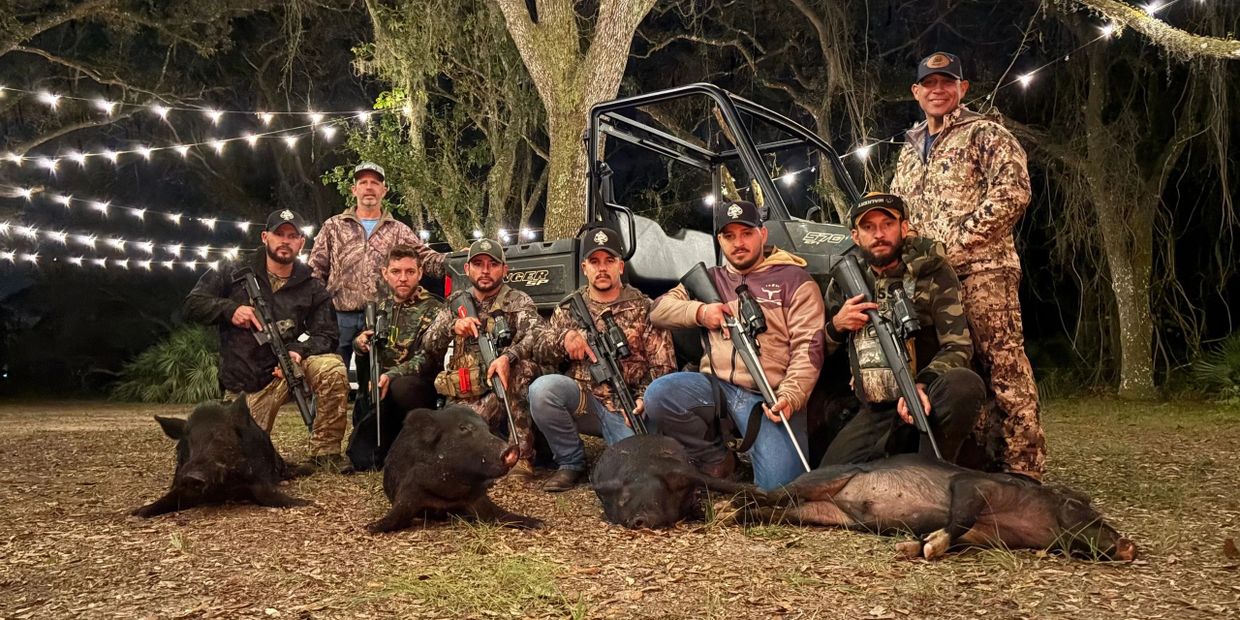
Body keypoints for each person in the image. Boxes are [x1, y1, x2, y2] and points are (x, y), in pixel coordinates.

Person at [889, 51, 1046, 481]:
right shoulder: (909, 149)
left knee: (1003, 365)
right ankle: (979, 461)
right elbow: (900, 213)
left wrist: (954, 246)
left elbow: (1013, 193)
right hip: (933, 281)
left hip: (984, 273)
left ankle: (1023, 470)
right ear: (916, 92)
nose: (938, 90)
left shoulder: (985, 134)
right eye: (930, 84)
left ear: (962, 89)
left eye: (947, 82)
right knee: (957, 368)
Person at [642, 200, 825, 491]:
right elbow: (659, 310)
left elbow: (809, 349)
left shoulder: (796, 280)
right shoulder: (711, 279)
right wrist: (702, 313)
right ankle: (716, 458)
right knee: (660, 395)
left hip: (769, 396)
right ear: (720, 240)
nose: (738, 243)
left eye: (746, 233)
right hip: (717, 388)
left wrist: (790, 396)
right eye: (729, 236)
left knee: (780, 491)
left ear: (763, 235)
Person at [821, 193, 986, 465]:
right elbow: (821, 349)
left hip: (926, 396)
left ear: (904, 227)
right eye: (868, 227)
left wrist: (922, 384)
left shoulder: (933, 272)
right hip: (877, 406)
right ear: (855, 236)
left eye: (887, 224)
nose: (879, 234)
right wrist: (837, 326)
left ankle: (931, 472)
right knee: (831, 475)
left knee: (964, 385)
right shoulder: (844, 282)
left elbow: (957, 346)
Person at [183, 209, 350, 470]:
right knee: (237, 456)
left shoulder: (312, 285)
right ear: (265, 237)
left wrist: (298, 351)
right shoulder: (233, 270)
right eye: (279, 234)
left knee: (331, 368)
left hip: (288, 367)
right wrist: (230, 310)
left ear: (301, 243)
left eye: (292, 236)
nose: (285, 241)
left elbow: (327, 334)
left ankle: (325, 452)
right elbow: (193, 304)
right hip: (247, 381)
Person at [529, 227, 677, 492]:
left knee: (635, 470)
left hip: (629, 406)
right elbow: (539, 349)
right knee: (542, 390)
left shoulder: (644, 307)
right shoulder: (569, 308)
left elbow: (664, 366)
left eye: (609, 261)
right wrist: (565, 339)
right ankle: (571, 463)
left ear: (620, 266)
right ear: (584, 267)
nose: (602, 268)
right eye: (594, 262)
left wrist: (644, 398)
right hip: (586, 402)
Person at [308, 162, 445, 396]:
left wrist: (458, 260)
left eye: (375, 183)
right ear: (354, 189)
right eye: (363, 182)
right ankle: (323, 431)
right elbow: (315, 270)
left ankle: (368, 427)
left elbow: (424, 257)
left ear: (384, 189)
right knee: (330, 382)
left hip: (381, 317)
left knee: (372, 385)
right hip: (339, 316)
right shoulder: (334, 226)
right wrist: (320, 311)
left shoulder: (399, 230)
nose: (369, 188)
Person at [423, 238, 543, 480]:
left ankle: (522, 455)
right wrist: (452, 326)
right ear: (467, 269)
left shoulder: (518, 301)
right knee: (444, 453)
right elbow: (428, 345)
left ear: (504, 269)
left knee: (522, 368)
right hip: (469, 392)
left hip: (503, 389)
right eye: (478, 264)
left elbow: (537, 336)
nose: (485, 271)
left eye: (492, 264)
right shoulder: (456, 303)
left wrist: (509, 356)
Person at [345, 244, 445, 470]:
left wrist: (392, 375)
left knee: (403, 387)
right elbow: (366, 344)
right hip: (380, 389)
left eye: (410, 272)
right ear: (385, 274)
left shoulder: (435, 309)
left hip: (415, 390)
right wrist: (360, 344)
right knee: (362, 460)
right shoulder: (380, 308)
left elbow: (429, 357)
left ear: (420, 273)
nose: (403, 278)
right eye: (396, 272)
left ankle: (418, 447)